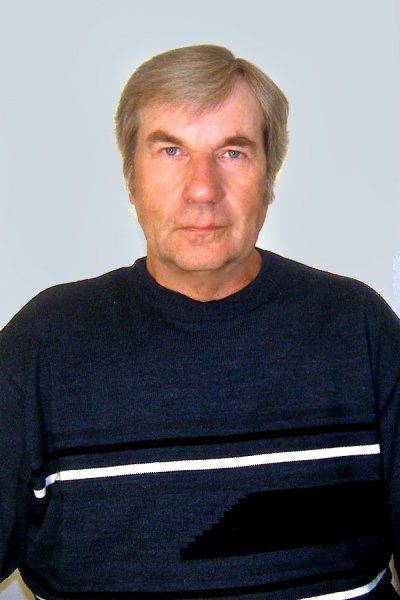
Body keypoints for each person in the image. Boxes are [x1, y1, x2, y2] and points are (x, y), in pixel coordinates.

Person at [0, 44, 399, 600]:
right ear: (131, 179)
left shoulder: (359, 329)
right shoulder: (41, 346)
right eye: (171, 151)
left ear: (269, 176)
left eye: (233, 152)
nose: (203, 189)